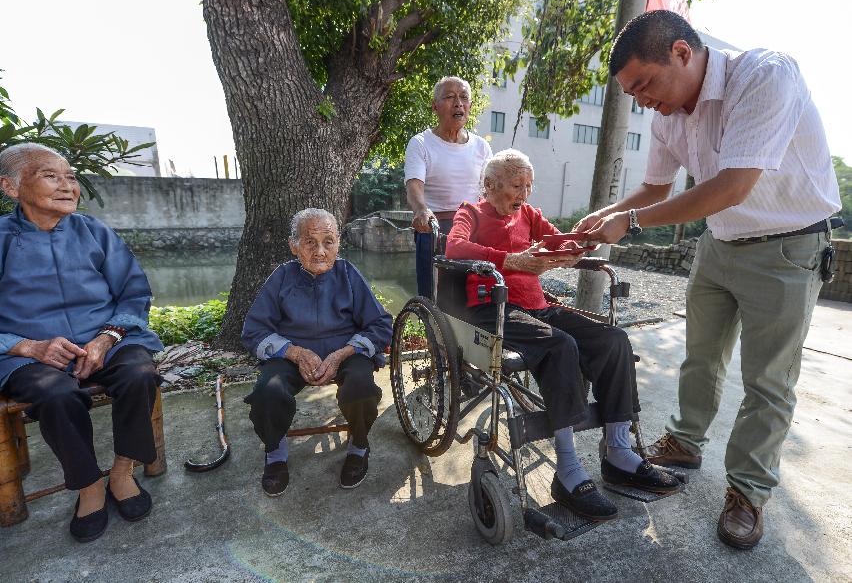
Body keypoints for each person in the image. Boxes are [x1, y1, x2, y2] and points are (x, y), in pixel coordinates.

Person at [575, 10, 842, 549]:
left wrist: (627, 224)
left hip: (787, 247)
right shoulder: (668, 117)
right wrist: (603, 214)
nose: (643, 100)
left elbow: (732, 186)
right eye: (633, 93)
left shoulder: (765, 76)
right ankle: (686, 441)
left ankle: (748, 492)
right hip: (719, 245)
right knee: (701, 356)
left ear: (680, 52)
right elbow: (654, 188)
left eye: (645, 84)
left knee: (768, 381)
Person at [446, 149, 679, 521]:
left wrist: (573, 248)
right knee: (560, 345)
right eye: (516, 185)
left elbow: (557, 240)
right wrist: (511, 260)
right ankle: (568, 470)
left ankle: (619, 452)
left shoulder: (529, 214)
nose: (524, 193)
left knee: (613, 340)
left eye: (528, 185)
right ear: (489, 185)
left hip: (536, 305)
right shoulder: (470, 212)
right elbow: (454, 247)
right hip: (492, 308)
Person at [0, 143, 164, 542]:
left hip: (106, 339)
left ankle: (121, 472)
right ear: (10, 187)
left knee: (139, 372)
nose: (68, 186)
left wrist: (107, 338)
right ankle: (88, 486)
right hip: (25, 351)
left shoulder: (94, 231)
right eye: (51, 176)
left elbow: (133, 292)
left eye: (71, 177)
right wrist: (28, 347)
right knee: (55, 394)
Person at [241, 208, 393, 497]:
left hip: (346, 350)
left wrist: (342, 354)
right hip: (291, 352)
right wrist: (294, 353)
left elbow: (380, 324)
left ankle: (359, 446)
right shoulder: (282, 277)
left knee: (361, 387)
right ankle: (275, 453)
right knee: (267, 392)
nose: (321, 251)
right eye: (310, 242)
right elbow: (254, 330)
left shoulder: (348, 273)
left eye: (329, 241)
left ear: (338, 243)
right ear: (294, 245)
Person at [404, 76, 492, 296]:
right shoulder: (421, 143)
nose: (458, 103)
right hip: (436, 226)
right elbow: (414, 185)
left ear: (470, 106)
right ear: (435, 106)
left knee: (477, 295)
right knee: (435, 296)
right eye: (450, 97)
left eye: (464, 98)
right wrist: (421, 210)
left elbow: (490, 192)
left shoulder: (481, 147)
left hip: (474, 226)